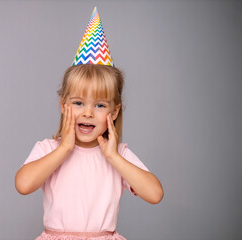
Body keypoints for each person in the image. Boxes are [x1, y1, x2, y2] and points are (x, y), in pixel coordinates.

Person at [15, 7, 163, 240]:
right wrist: (64, 148)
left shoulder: (119, 154)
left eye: (100, 106)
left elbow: (155, 194)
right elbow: (23, 185)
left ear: (114, 112)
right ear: (63, 105)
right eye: (78, 103)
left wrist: (113, 156)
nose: (88, 113)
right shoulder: (48, 149)